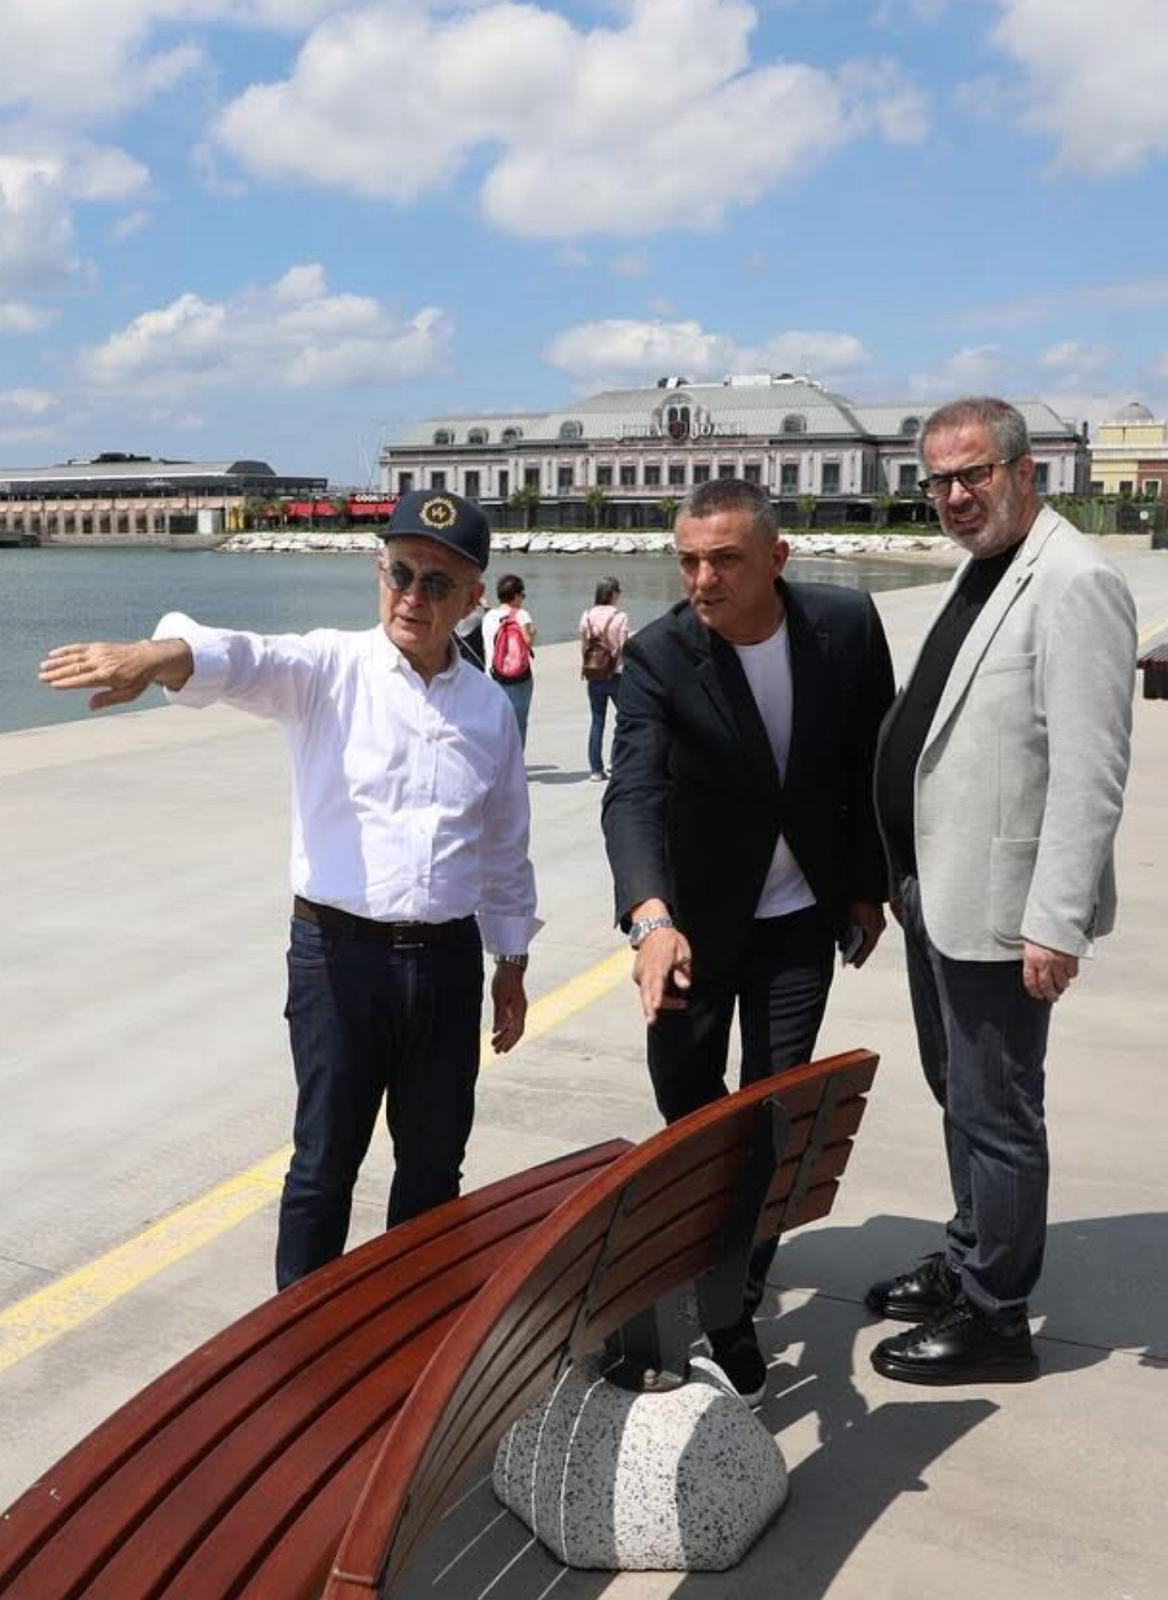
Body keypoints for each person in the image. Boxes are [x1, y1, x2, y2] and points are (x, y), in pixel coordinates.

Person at [39, 489, 537, 1290]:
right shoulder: (330, 668)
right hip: (338, 959)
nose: (413, 597)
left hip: (448, 964)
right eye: (400, 573)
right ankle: (298, 1331)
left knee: (434, 1167)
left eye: (437, 583)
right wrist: (156, 656)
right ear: (379, 574)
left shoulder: (487, 707)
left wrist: (510, 962)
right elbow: (247, 658)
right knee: (323, 1165)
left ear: (473, 597)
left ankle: (414, 1326)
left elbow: (504, 844)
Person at [601, 477, 895, 1401]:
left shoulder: (846, 627)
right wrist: (651, 919)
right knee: (691, 1115)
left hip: (799, 918)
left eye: (725, 560)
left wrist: (866, 886)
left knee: (772, 1114)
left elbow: (869, 760)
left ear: (777, 557)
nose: (702, 580)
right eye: (688, 561)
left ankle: (730, 1308)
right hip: (688, 928)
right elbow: (634, 791)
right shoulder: (658, 656)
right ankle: (706, 1259)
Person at [867, 397, 1137, 1385]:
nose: (953, 494)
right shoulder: (986, 568)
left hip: (1002, 906)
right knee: (961, 1094)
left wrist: (1055, 921)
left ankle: (995, 1316)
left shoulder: (1074, 581)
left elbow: (1091, 770)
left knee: (999, 1110)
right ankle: (971, 1251)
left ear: (1025, 471)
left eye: (972, 473)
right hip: (936, 888)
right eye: (937, 479)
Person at [579, 576, 629, 780]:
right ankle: (615, 762)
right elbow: (624, 647)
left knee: (597, 721)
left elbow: (584, 646)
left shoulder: (587, 616)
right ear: (613, 593)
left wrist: (589, 665)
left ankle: (595, 769)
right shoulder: (620, 617)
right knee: (625, 718)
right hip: (616, 674)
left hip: (594, 674)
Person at [483, 573, 536, 748]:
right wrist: (533, 631)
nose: (522, 599)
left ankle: (497, 759)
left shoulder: (488, 617)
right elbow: (528, 642)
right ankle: (516, 761)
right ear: (515, 596)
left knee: (497, 724)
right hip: (519, 679)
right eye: (522, 595)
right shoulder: (522, 615)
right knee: (519, 724)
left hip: (493, 677)